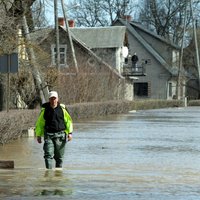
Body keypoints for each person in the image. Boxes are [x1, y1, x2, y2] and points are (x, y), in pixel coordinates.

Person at [35, 91, 73, 169]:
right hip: (48, 135)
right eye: (51, 99)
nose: (53, 100)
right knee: (48, 155)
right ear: (49, 99)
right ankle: (48, 174)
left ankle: (58, 175)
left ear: (57, 99)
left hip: (61, 135)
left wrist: (70, 133)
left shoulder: (62, 109)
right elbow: (40, 123)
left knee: (59, 157)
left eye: (54, 98)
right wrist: (38, 135)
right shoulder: (45, 109)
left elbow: (68, 121)